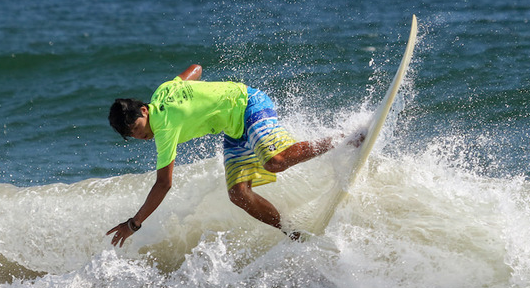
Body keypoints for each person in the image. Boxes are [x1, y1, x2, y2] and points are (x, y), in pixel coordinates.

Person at [106, 64, 350, 246]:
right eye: (134, 136)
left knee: (275, 161)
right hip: (234, 128)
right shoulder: (162, 92)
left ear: (144, 110)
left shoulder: (164, 129)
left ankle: (342, 139)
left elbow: (163, 184)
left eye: (138, 128)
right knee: (238, 194)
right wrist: (196, 97)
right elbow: (195, 69)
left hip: (248, 104)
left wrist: (133, 224)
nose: (142, 136)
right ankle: (293, 233)